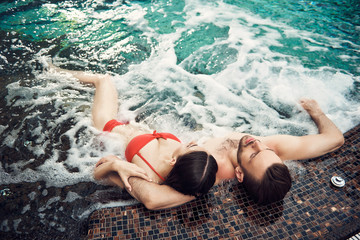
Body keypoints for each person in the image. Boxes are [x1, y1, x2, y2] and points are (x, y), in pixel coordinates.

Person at [116, 98, 344, 207]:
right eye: (266, 149)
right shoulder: (269, 152)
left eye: (254, 154)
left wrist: (118, 168)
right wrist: (317, 112)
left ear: (239, 174)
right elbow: (334, 140)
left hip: (144, 140)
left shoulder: (211, 172)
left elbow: (153, 199)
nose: (255, 142)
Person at [48, 64, 218, 210]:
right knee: (82, 100)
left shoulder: (146, 175)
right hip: (129, 122)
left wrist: (115, 164)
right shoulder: (192, 166)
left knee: (102, 80)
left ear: (174, 161)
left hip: (106, 126)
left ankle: (51, 71)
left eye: (191, 146)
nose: (193, 142)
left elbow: (97, 175)